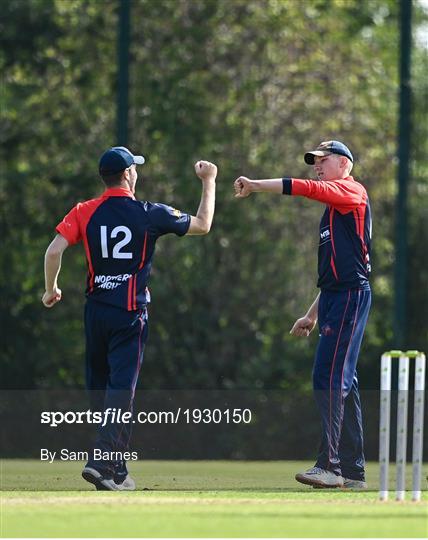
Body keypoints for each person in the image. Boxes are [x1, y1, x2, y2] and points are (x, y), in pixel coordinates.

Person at [43, 146, 217, 490]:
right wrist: (209, 180)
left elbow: (53, 251)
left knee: (101, 390)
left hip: (95, 312)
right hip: (129, 313)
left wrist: (51, 289)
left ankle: (116, 471)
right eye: (134, 168)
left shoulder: (84, 211)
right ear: (127, 174)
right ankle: (101, 458)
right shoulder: (149, 212)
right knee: (122, 390)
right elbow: (203, 225)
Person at [234, 140, 371, 489]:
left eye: (324, 161)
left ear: (344, 164)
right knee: (345, 380)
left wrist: (255, 185)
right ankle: (352, 471)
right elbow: (333, 274)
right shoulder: (332, 212)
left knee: (329, 376)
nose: (317, 167)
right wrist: (312, 313)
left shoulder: (352, 192)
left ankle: (330, 465)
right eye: (315, 162)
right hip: (336, 298)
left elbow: (304, 188)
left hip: (350, 297)